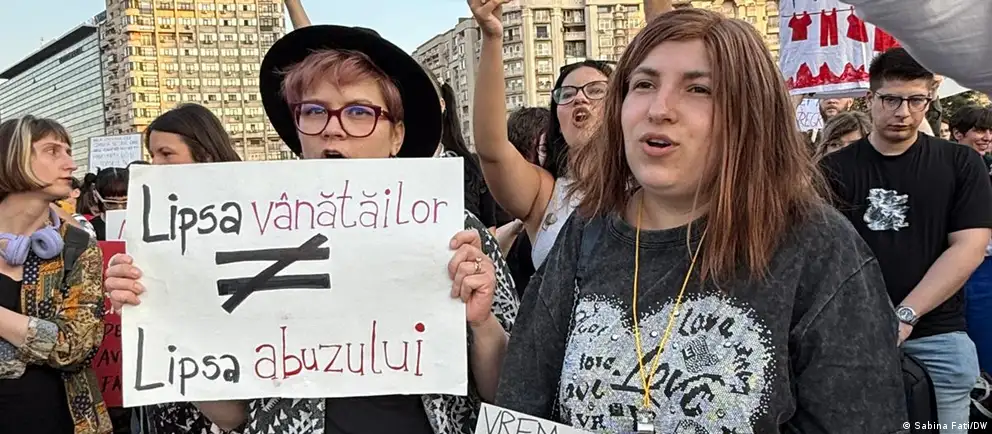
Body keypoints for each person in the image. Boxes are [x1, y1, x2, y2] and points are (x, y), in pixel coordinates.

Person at [494, 7, 907, 432]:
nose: (660, 108)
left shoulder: (817, 247)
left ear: (750, 113)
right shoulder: (586, 231)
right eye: (644, 84)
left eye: (698, 89)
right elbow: (524, 397)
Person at [106, 24, 518, 434]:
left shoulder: (456, 232)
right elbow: (234, 416)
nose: (332, 128)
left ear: (396, 135)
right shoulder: (249, 234)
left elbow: (510, 392)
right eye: (314, 111)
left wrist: (482, 323)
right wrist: (156, 314)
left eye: (359, 112)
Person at [821, 48, 992, 433]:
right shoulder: (833, 169)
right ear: (870, 99)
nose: (904, 112)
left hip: (939, 335)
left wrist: (905, 315)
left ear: (929, 100)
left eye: (916, 100)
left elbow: (969, 246)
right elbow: (822, 256)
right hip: (852, 337)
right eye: (892, 100)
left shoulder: (960, 163)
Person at [470, 0, 613, 270]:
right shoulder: (545, 194)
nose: (580, 99)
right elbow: (492, 149)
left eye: (595, 90)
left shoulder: (646, 184)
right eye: (567, 94)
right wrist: (492, 37)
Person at [133, 103, 243, 434]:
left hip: (231, 379)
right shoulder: (152, 221)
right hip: (172, 381)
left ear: (205, 155)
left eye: (166, 154)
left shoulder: (252, 215)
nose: (156, 165)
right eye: (153, 155)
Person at [0, 116, 112, 433]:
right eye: (52, 151)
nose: (71, 164)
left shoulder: (77, 247)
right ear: (13, 158)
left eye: (68, 151)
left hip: (56, 419)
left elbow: (74, 347)